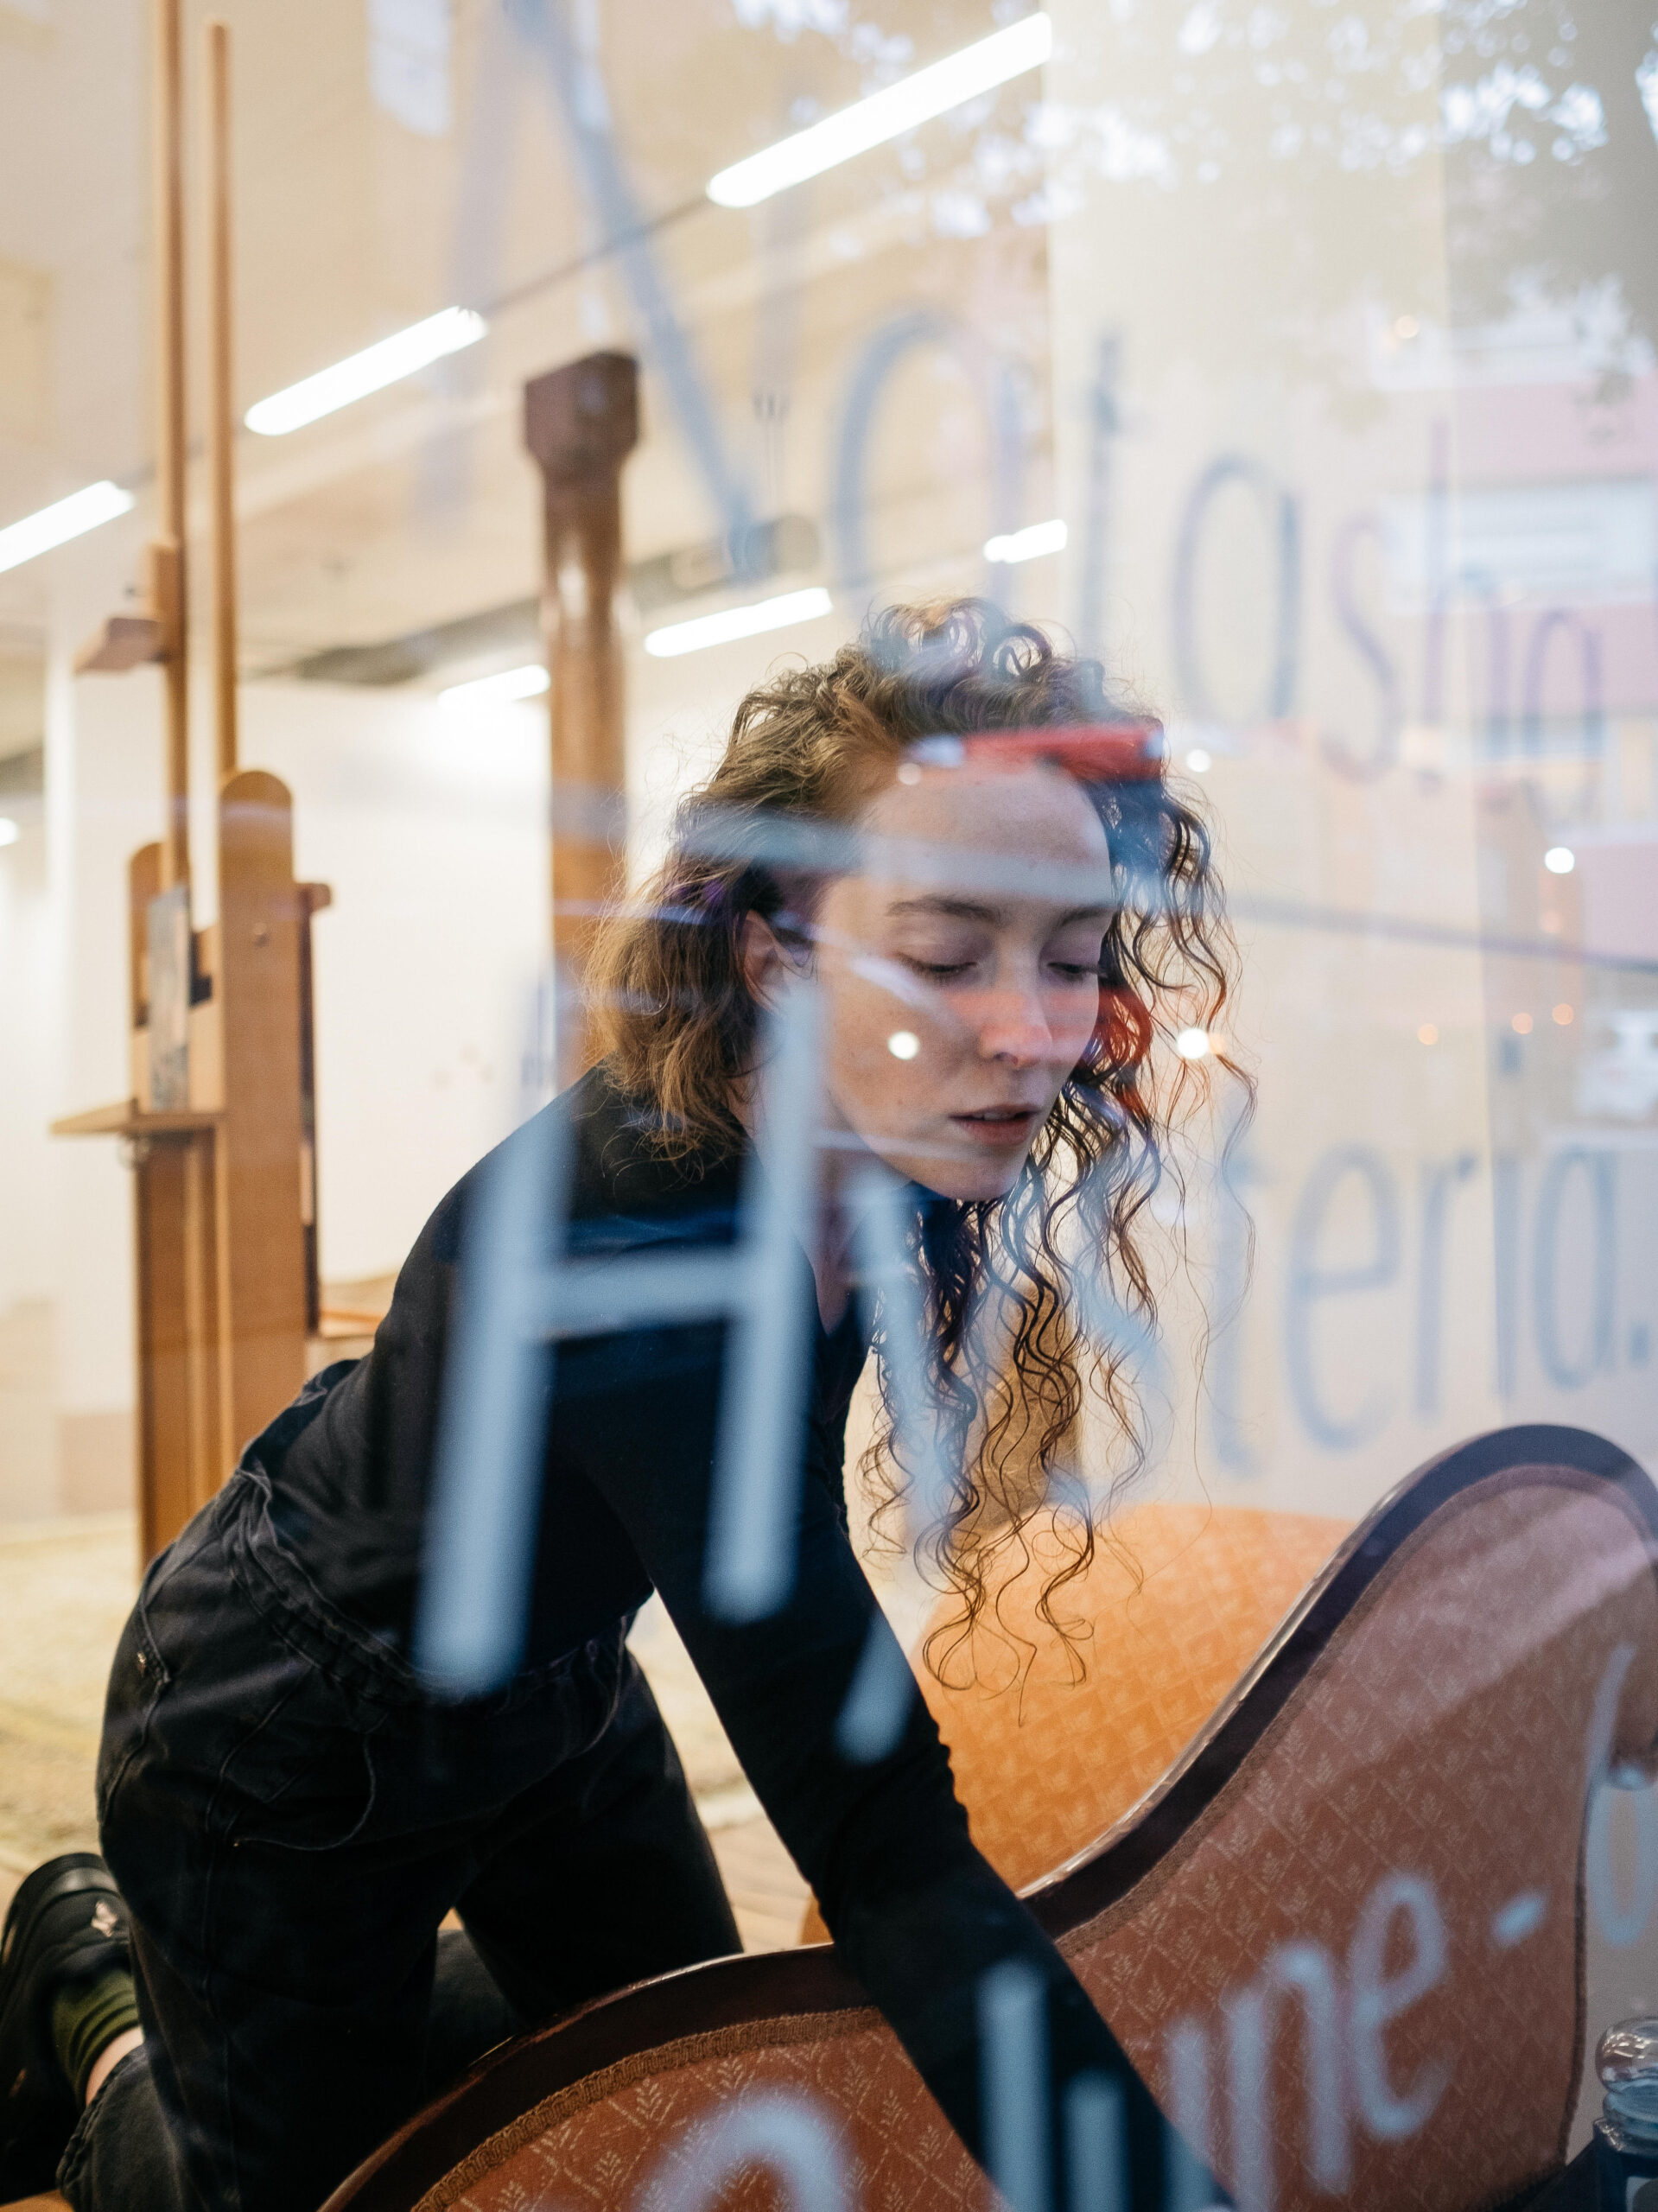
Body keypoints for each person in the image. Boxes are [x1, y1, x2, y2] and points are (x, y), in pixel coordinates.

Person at [0, 600, 1237, 2212]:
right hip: (281, 1729)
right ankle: (97, 2015)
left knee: (658, 2112)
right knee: (335, 2192)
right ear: (774, 955)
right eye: (947, 955)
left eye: (1072, 959)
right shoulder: (650, 1272)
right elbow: (882, 1841)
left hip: (552, 1686)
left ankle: (271, 2018)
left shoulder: (875, 1129)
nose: (1030, 1031)